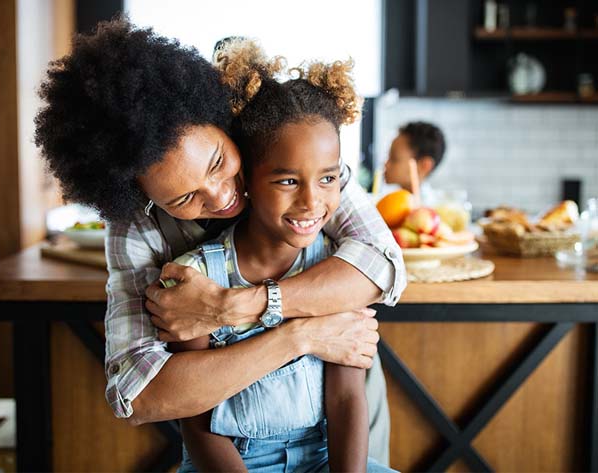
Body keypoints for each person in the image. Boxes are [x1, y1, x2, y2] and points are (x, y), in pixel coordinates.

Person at [34, 18, 405, 465]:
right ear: (140, 196)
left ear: (223, 123)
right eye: (185, 197)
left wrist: (233, 307)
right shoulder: (137, 228)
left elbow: (381, 264)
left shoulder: (288, 155)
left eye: (217, 163)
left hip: (340, 429)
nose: (221, 195)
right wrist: (301, 336)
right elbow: (141, 393)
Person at [165, 39, 394, 472]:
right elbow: (197, 424)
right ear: (245, 180)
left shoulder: (336, 271)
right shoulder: (197, 279)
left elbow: (346, 397)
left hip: (323, 459)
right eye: (288, 181)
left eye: (328, 178)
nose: (312, 202)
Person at [382, 121, 446, 205]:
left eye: (394, 159)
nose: (386, 164)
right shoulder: (388, 202)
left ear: (424, 166)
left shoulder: (429, 210)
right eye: (389, 156)